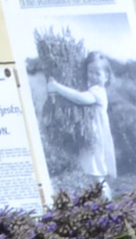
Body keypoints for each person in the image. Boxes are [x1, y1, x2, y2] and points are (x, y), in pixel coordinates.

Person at [46, 51, 118, 192]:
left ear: (106, 76)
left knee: (97, 176)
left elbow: (80, 98)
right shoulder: (93, 89)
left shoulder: (98, 91)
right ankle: (103, 201)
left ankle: (108, 203)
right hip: (92, 136)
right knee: (94, 176)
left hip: (96, 138)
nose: (93, 76)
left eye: (98, 73)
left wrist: (57, 87)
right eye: (90, 72)